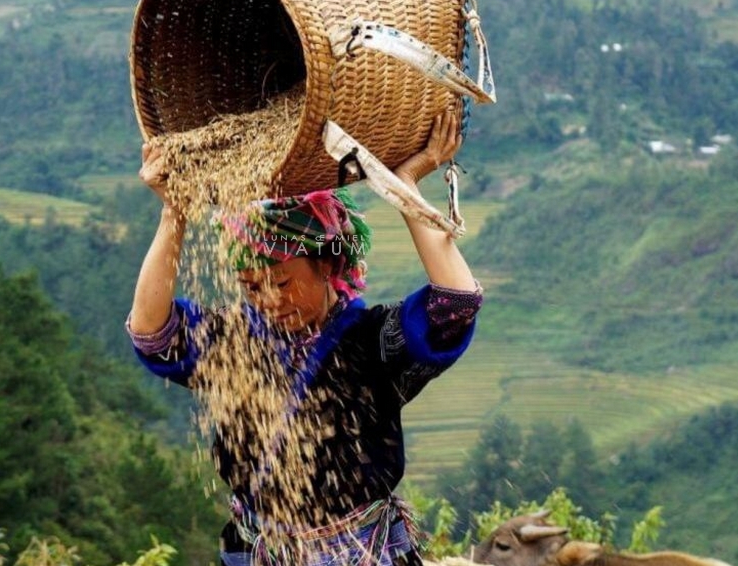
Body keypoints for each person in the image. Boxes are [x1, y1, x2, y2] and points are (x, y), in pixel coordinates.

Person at [126, 111, 483, 565]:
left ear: (329, 269)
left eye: (283, 281)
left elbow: (456, 303)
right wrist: (174, 209)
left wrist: (404, 186)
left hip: (361, 553)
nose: (270, 299)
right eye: (252, 286)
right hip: (258, 551)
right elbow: (151, 332)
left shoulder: (373, 340)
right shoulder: (233, 342)